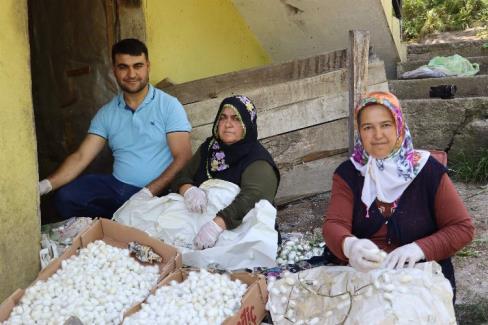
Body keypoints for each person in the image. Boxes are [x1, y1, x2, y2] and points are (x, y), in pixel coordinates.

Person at [323, 91, 474, 297]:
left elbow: (462, 228)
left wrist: (418, 249)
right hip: (364, 280)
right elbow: (334, 224)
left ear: (399, 125)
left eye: (385, 124)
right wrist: (350, 246)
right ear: (359, 132)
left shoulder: (426, 170)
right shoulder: (349, 173)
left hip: (421, 277)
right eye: (368, 127)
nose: (377, 135)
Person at [38, 38, 192, 218]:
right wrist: (45, 186)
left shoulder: (168, 105)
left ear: (148, 66)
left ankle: (121, 222)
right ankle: (112, 224)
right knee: (67, 197)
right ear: (114, 71)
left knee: (154, 215)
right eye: (123, 67)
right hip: (118, 187)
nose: (131, 74)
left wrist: (148, 192)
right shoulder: (107, 113)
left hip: (159, 191)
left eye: (138, 66)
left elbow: (183, 156)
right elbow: (81, 157)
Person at [171, 95, 280, 250]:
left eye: (236, 119)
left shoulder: (257, 160)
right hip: (196, 224)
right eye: (223, 118)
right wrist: (188, 190)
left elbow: (253, 198)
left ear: (247, 124)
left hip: (237, 230)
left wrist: (216, 226)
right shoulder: (209, 148)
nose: (228, 124)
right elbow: (182, 176)